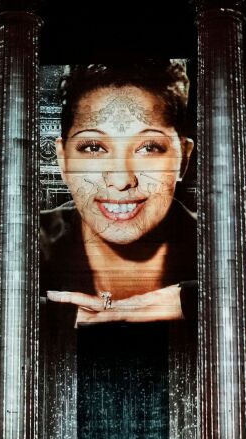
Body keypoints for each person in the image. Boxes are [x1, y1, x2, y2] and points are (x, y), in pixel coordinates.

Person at [41, 61, 196, 325]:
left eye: (149, 147)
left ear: (183, 159)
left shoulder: (227, 255)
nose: (121, 180)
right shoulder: (20, 248)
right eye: (93, 147)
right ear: (63, 160)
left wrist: (201, 303)